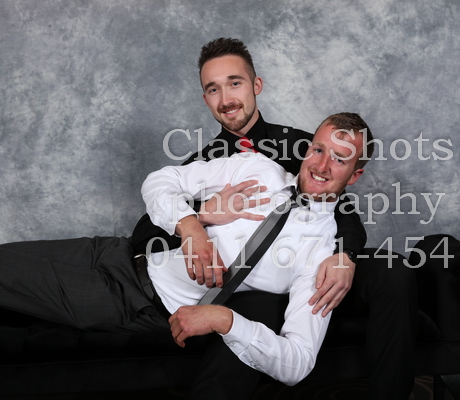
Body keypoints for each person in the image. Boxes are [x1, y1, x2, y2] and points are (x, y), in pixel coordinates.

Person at [130, 38, 417, 399]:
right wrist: (200, 218)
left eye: (235, 83)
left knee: (393, 270)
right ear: (205, 99)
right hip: (245, 287)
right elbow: (146, 232)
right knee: (257, 307)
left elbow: (340, 209)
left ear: (256, 85)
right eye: (214, 89)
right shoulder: (205, 160)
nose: (227, 99)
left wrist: (344, 255)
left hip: (310, 263)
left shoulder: (304, 146)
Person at [0, 113, 370, 389]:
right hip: (111, 251)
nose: (321, 165)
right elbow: (161, 180)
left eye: (339, 159)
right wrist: (191, 226)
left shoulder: (323, 256)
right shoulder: (259, 168)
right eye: (318, 149)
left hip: (129, 300)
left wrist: (225, 321)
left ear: (355, 175)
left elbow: (298, 362)